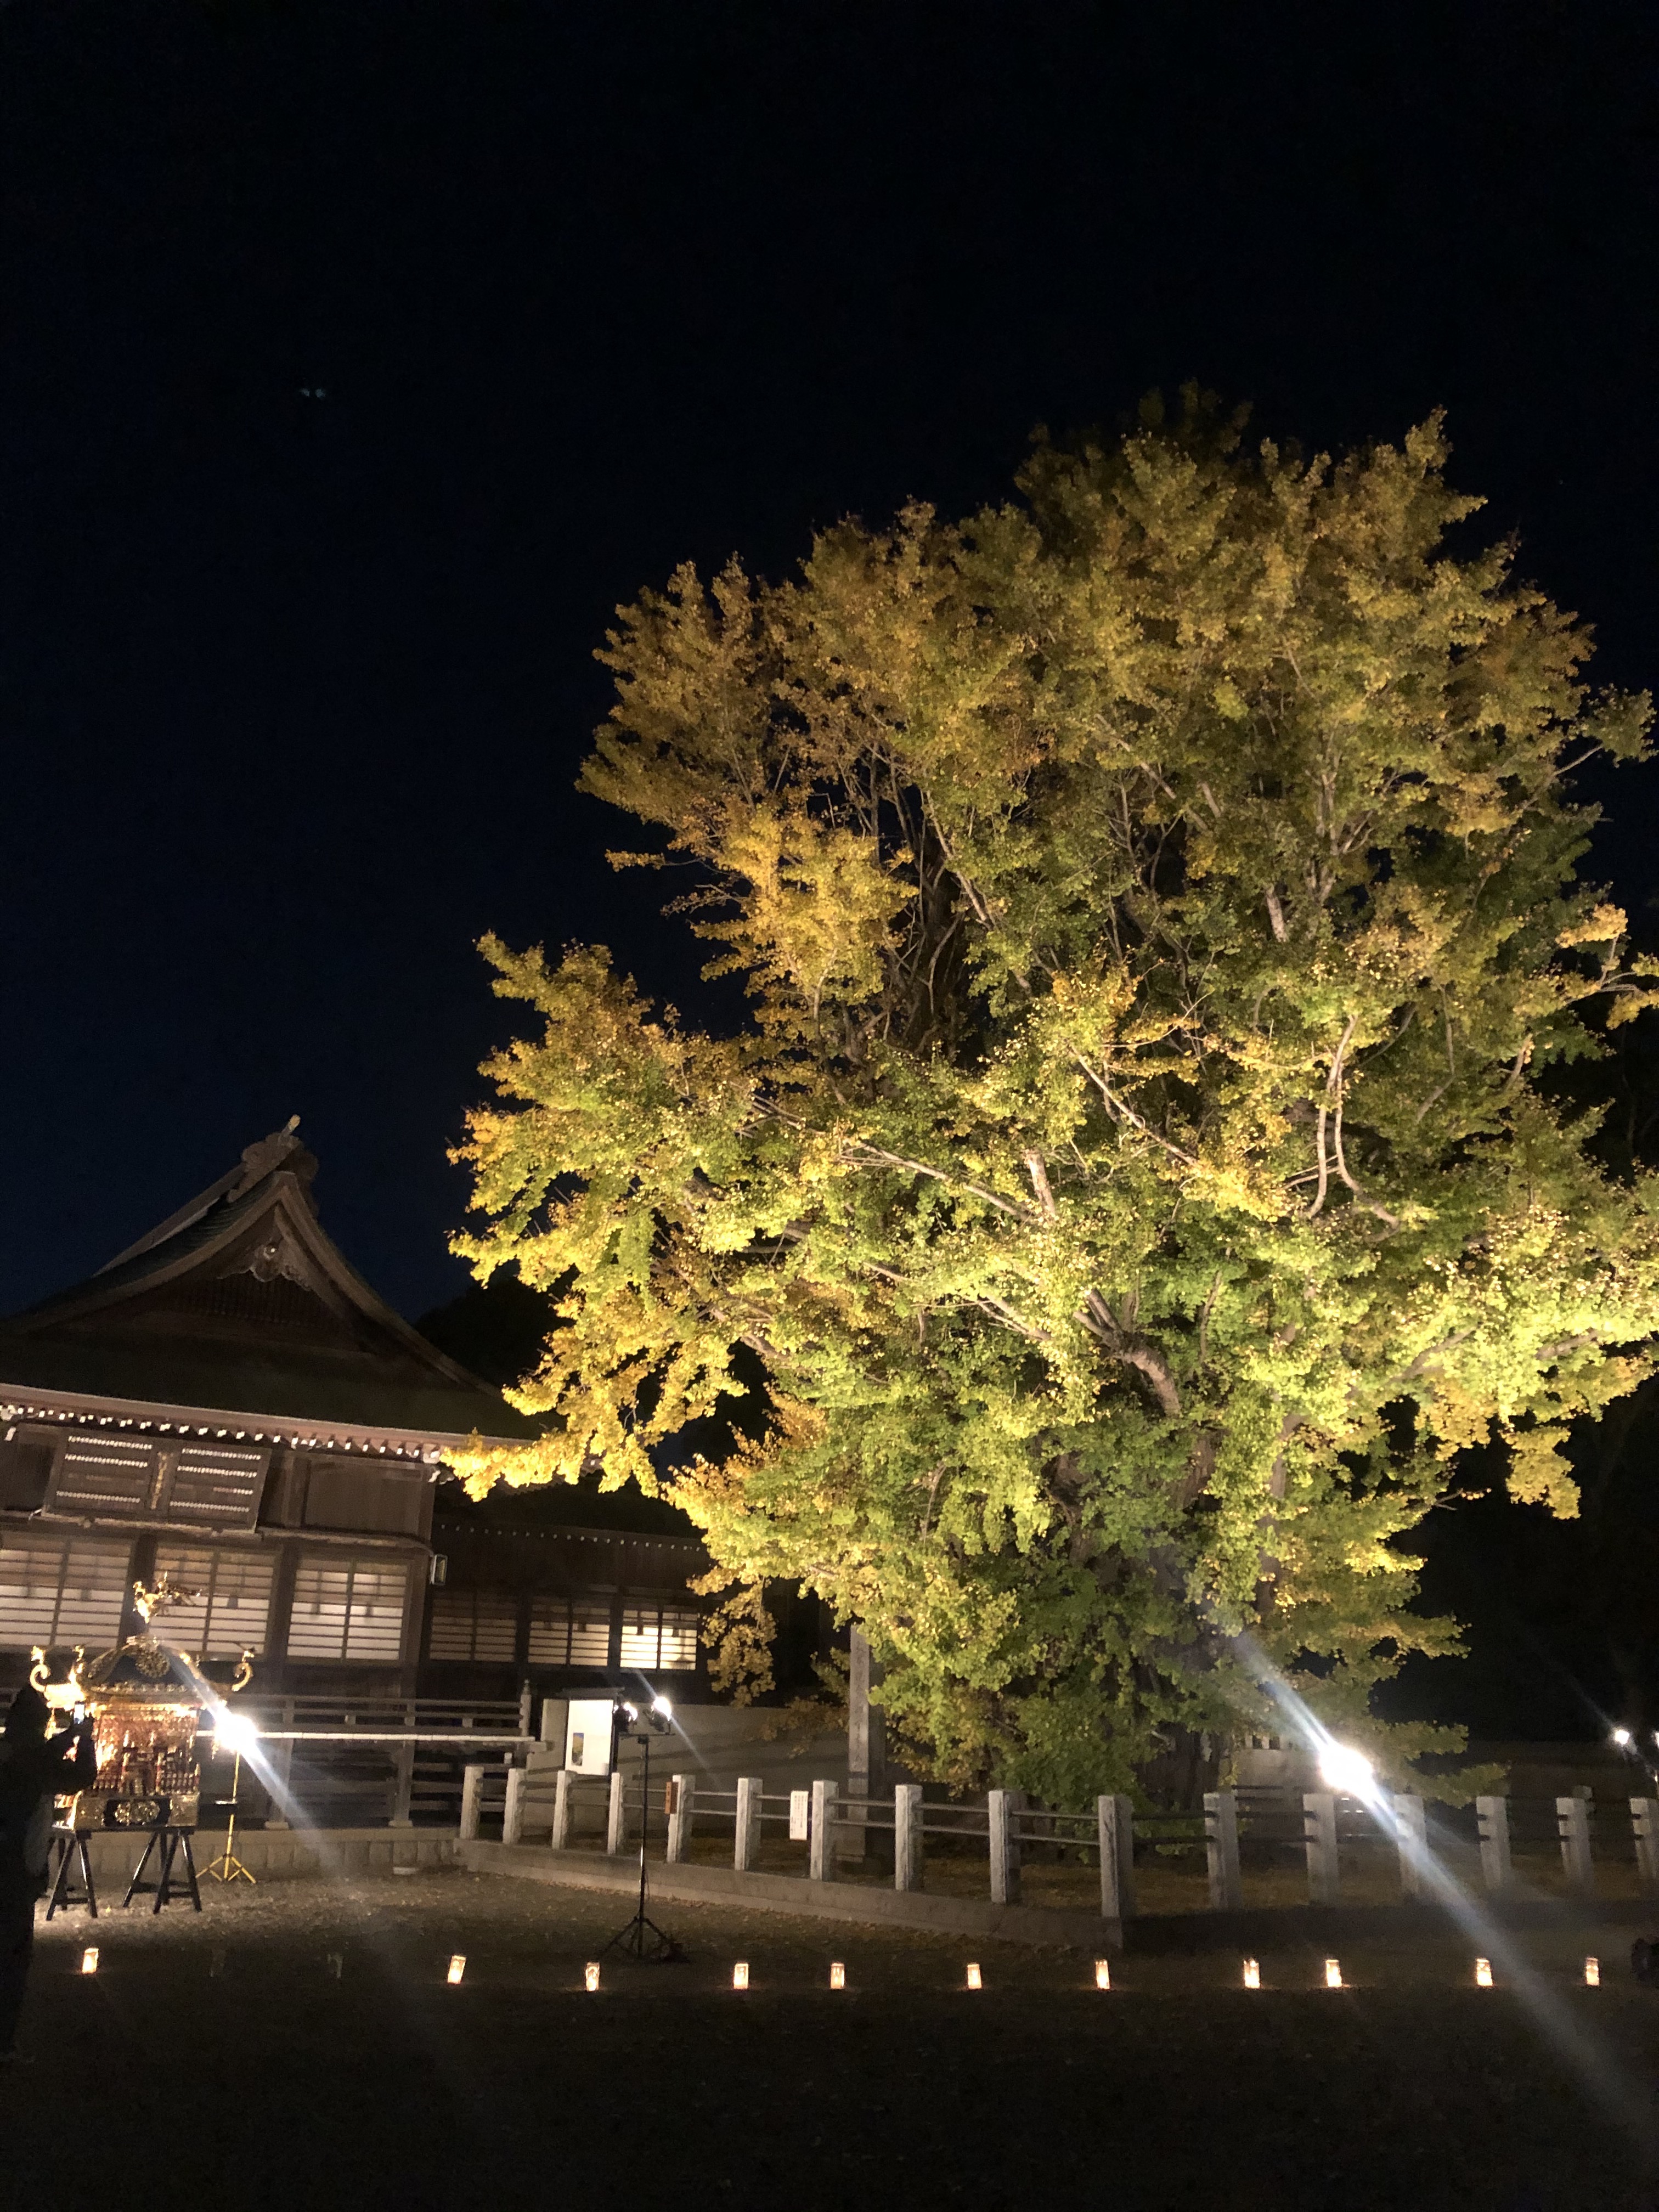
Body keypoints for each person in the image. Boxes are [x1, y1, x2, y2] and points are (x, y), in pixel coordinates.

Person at [0, 1684, 97, 2062]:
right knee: (12, 1959)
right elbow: (81, 1776)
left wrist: (69, 1735)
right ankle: (4, 2043)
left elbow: (40, 1755)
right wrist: (85, 1739)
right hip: (15, 1874)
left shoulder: (11, 1753)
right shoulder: (36, 1761)